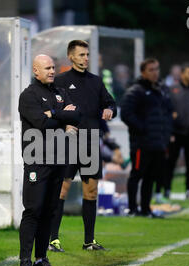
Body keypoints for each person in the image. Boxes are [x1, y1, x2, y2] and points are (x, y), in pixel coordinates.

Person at [49, 40, 116, 253]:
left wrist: (110, 110)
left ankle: (89, 241)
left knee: (91, 191)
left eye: (87, 55)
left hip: (90, 141)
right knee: (61, 190)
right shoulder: (59, 81)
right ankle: (53, 240)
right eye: (81, 55)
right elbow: (50, 109)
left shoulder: (96, 82)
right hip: (68, 142)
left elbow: (110, 102)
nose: (85, 58)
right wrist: (63, 121)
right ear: (71, 57)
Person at [18, 54, 80, 266]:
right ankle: (25, 261)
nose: (52, 71)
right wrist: (62, 124)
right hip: (37, 159)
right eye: (47, 68)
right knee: (33, 209)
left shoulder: (60, 92)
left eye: (53, 67)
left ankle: (41, 258)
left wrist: (54, 113)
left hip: (58, 158)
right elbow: (40, 122)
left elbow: (77, 114)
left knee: (49, 210)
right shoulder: (28, 95)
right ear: (36, 71)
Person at [121, 58, 173, 217]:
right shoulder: (136, 91)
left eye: (156, 69)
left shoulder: (162, 90)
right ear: (143, 72)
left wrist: (166, 135)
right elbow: (126, 114)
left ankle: (145, 208)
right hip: (141, 143)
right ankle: (132, 208)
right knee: (136, 175)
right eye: (151, 69)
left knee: (151, 177)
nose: (155, 72)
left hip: (157, 142)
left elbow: (167, 114)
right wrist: (143, 128)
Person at [163, 62, 189, 199]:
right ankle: (167, 189)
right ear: (182, 74)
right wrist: (172, 118)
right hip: (175, 133)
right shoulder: (173, 89)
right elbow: (166, 108)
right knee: (170, 162)